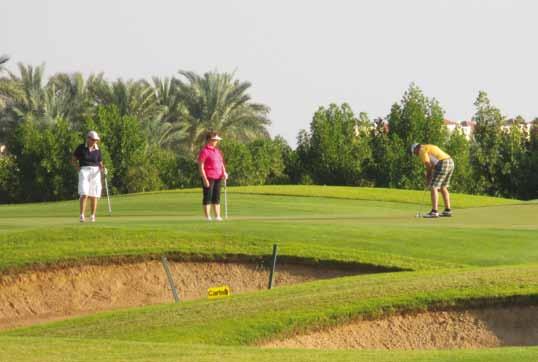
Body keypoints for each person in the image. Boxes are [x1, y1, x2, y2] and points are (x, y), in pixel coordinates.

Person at [411, 143, 455, 218]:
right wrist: (430, 175)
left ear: (416, 149)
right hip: (450, 162)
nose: (416, 155)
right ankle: (448, 210)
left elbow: (428, 165)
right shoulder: (428, 147)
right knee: (443, 187)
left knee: (433, 187)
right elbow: (433, 165)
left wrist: (428, 179)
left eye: (414, 153)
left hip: (443, 163)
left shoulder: (422, 150)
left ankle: (434, 211)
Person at [72, 131, 105, 222]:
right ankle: (82, 215)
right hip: (84, 171)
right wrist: (78, 169)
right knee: (84, 193)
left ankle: (92, 216)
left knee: (94, 195)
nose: (95, 142)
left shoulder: (98, 150)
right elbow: (74, 159)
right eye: (93, 140)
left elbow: (100, 163)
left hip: (95, 172)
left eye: (96, 140)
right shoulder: (81, 147)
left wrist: (103, 168)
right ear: (88, 139)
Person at [197, 131, 228, 221]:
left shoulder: (217, 151)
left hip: (218, 177)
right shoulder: (204, 151)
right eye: (215, 140)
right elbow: (201, 166)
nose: (216, 142)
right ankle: (208, 217)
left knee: (216, 197)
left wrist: (224, 173)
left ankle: (217, 216)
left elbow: (221, 163)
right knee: (208, 196)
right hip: (208, 177)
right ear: (209, 140)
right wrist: (204, 179)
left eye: (217, 140)